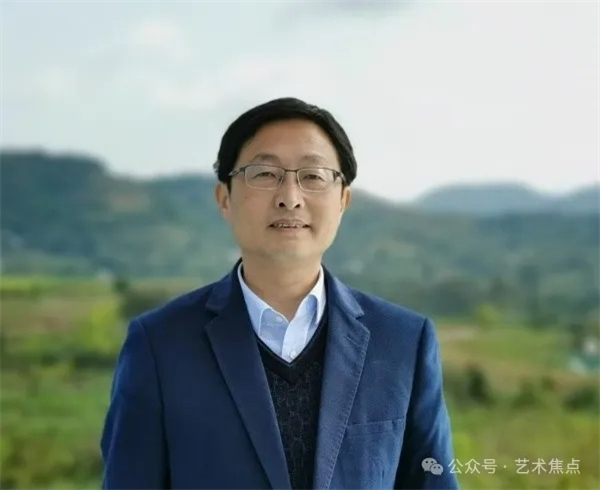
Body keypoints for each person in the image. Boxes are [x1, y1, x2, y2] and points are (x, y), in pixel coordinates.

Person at [100, 97, 459, 490]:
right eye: (265, 174)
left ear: (343, 200)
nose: (290, 196)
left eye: (313, 175)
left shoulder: (403, 341)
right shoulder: (160, 344)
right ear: (225, 198)